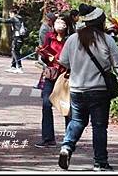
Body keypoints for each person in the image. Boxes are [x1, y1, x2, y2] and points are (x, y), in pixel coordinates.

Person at [57, 4, 118, 171]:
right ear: (100, 22)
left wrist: (77, 65)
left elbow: (63, 61)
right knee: (99, 126)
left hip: (77, 89)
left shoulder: (72, 39)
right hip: (99, 91)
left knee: (77, 121)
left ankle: (67, 147)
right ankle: (100, 163)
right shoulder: (107, 40)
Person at [35, 17, 71, 148]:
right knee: (46, 103)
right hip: (51, 75)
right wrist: (43, 54)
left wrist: (57, 59)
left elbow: (72, 59)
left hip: (65, 76)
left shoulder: (71, 39)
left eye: (62, 23)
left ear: (67, 25)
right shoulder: (49, 37)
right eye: (57, 22)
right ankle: (48, 138)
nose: (59, 25)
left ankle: (70, 138)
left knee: (66, 105)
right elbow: (45, 57)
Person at [0, 9, 26, 73]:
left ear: (12, 13)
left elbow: (5, 21)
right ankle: (13, 66)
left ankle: (19, 67)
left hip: (17, 37)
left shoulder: (14, 18)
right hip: (21, 37)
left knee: (15, 51)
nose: (9, 15)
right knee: (15, 51)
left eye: (9, 14)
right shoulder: (21, 18)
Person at [36, 12, 57, 89]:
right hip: (45, 51)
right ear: (49, 20)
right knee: (47, 68)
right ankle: (43, 85)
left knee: (47, 68)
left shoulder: (50, 27)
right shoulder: (44, 28)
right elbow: (44, 42)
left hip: (49, 51)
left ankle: (42, 84)